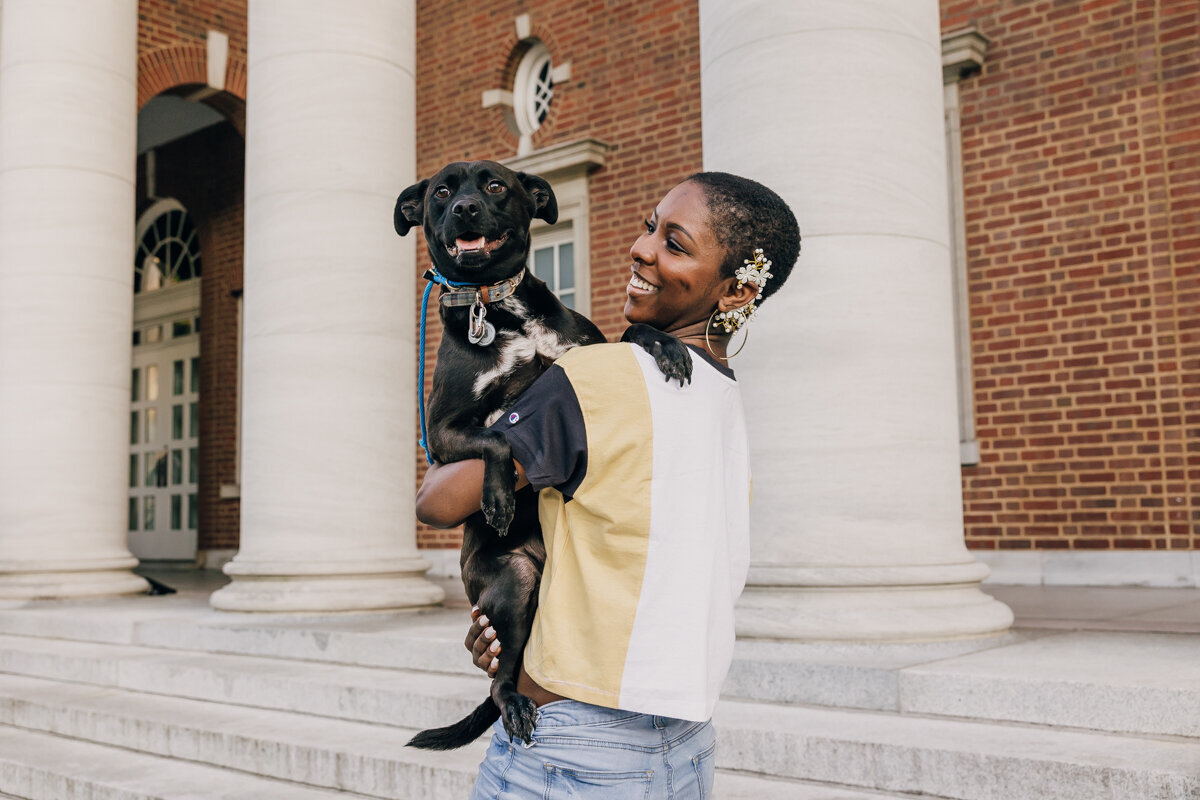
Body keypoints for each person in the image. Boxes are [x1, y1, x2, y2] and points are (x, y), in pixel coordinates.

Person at [415, 171, 800, 799]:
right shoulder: (721, 393)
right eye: (650, 227)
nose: (642, 248)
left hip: (573, 748)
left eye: (675, 244)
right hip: (686, 741)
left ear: (735, 291)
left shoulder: (595, 379)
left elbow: (437, 501)